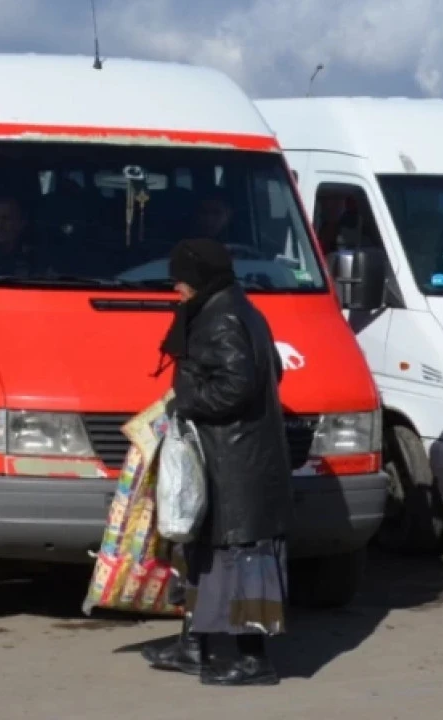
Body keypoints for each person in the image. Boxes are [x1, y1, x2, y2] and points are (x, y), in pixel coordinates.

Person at [146, 237, 293, 686]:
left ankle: (254, 660)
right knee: (204, 553)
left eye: (181, 279)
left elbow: (236, 386)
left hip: (237, 459)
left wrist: (187, 403)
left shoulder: (223, 317)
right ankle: (194, 646)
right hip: (226, 454)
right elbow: (271, 371)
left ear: (200, 278)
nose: (176, 288)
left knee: (242, 557)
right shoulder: (231, 308)